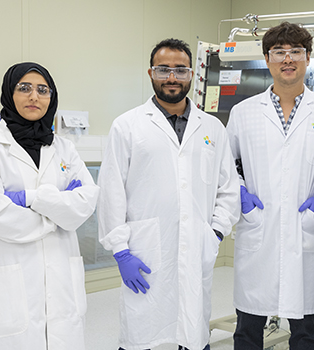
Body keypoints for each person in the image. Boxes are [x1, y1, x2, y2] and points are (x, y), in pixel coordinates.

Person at [98, 38, 240, 350]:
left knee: (191, 330)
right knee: (142, 331)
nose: (172, 77)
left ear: (192, 75)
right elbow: (111, 192)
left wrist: (214, 232)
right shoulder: (127, 125)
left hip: (196, 245)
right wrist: (120, 250)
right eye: (164, 70)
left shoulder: (212, 128)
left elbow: (228, 188)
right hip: (144, 249)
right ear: (150, 73)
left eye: (180, 70)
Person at [0, 62, 99, 349]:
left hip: (62, 277)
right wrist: (56, 215)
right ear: (9, 94)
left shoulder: (64, 148)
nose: (34, 96)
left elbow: (85, 203)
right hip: (9, 275)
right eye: (24, 88)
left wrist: (31, 199)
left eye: (42, 89)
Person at [226, 22, 314, 350]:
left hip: (304, 228)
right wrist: (240, 195)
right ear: (267, 59)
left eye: (296, 51)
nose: (288, 58)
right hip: (258, 227)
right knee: (247, 328)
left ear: (308, 58)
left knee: (305, 332)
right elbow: (223, 168)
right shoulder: (244, 112)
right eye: (279, 52)